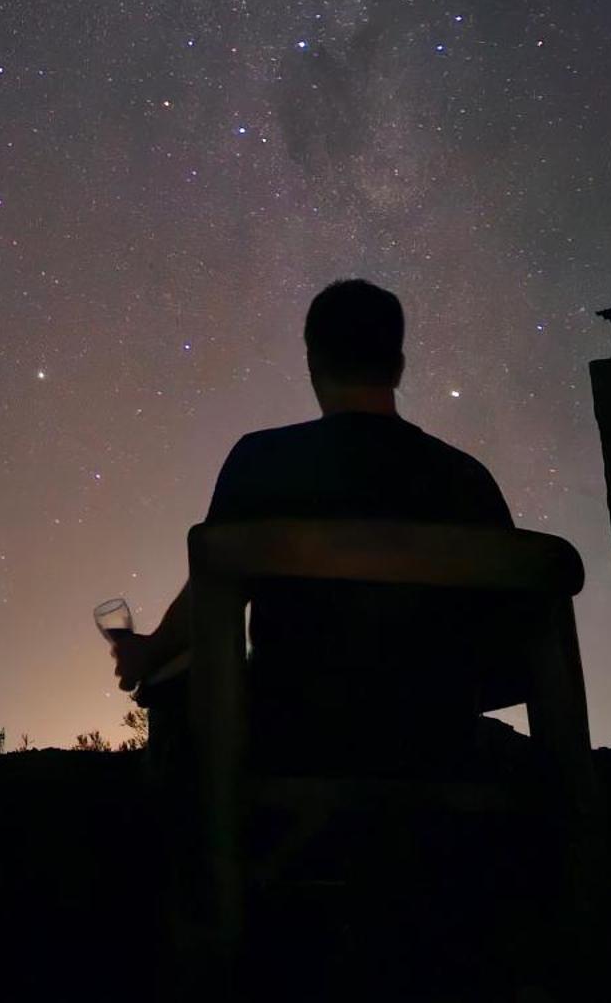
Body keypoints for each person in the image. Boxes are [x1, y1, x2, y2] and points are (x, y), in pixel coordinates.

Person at [108, 279, 519, 774]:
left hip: (292, 738)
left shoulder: (261, 462)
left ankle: (222, 844)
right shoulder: (469, 479)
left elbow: (211, 600)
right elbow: (508, 640)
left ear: (312, 364)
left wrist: (148, 652)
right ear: (398, 366)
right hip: (439, 741)